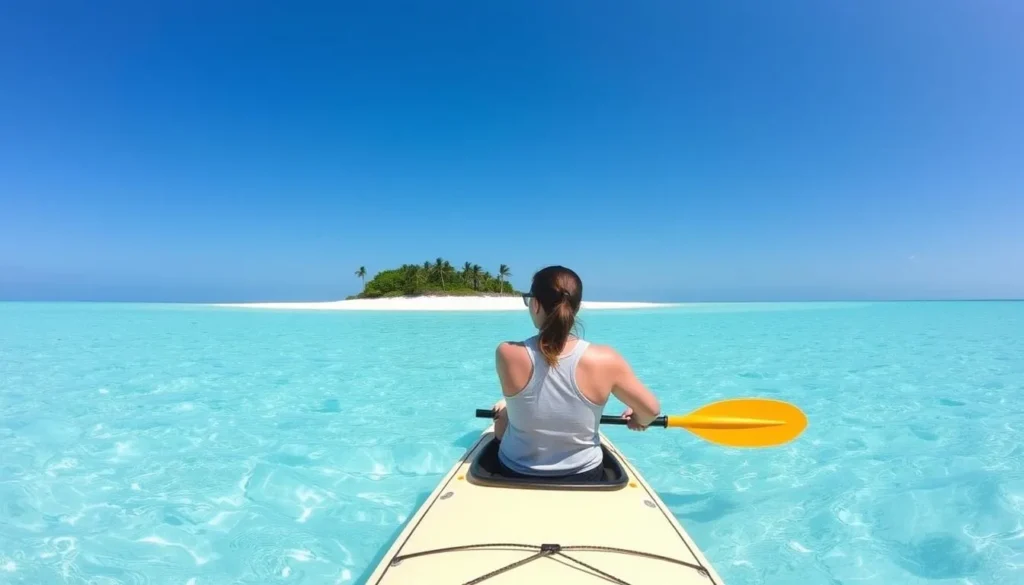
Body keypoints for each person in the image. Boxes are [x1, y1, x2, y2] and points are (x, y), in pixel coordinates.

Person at [491, 265, 662, 481]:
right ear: (576, 307)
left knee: (503, 419)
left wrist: (506, 408)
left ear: (535, 304)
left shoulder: (506, 353)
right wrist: (639, 419)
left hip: (515, 471)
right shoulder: (606, 359)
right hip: (584, 474)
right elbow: (651, 410)